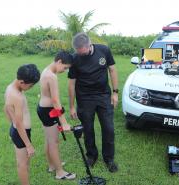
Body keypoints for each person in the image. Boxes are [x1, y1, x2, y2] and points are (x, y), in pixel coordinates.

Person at [68, 32, 119, 172]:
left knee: (108, 128)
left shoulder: (104, 50)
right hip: (84, 98)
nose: (80, 54)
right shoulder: (75, 58)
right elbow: (71, 84)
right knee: (88, 129)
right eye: (77, 52)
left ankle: (109, 158)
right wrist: (72, 106)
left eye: (82, 52)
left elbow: (112, 70)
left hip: (103, 96)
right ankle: (91, 156)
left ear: (89, 45)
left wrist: (115, 92)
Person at [37, 51, 76, 180]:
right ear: (59, 62)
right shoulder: (52, 76)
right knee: (53, 142)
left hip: (43, 109)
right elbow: (55, 101)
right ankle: (60, 172)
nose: (65, 71)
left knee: (49, 140)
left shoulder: (46, 70)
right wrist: (64, 122)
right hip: (49, 111)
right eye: (65, 68)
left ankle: (52, 165)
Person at [4, 64, 40, 185]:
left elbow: (6, 109)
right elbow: (19, 123)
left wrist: (11, 127)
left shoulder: (10, 87)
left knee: (25, 162)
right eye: (30, 85)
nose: (30, 87)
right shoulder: (17, 96)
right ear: (21, 81)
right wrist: (28, 145)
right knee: (23, 164)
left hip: (18, 131)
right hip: (21, 133)